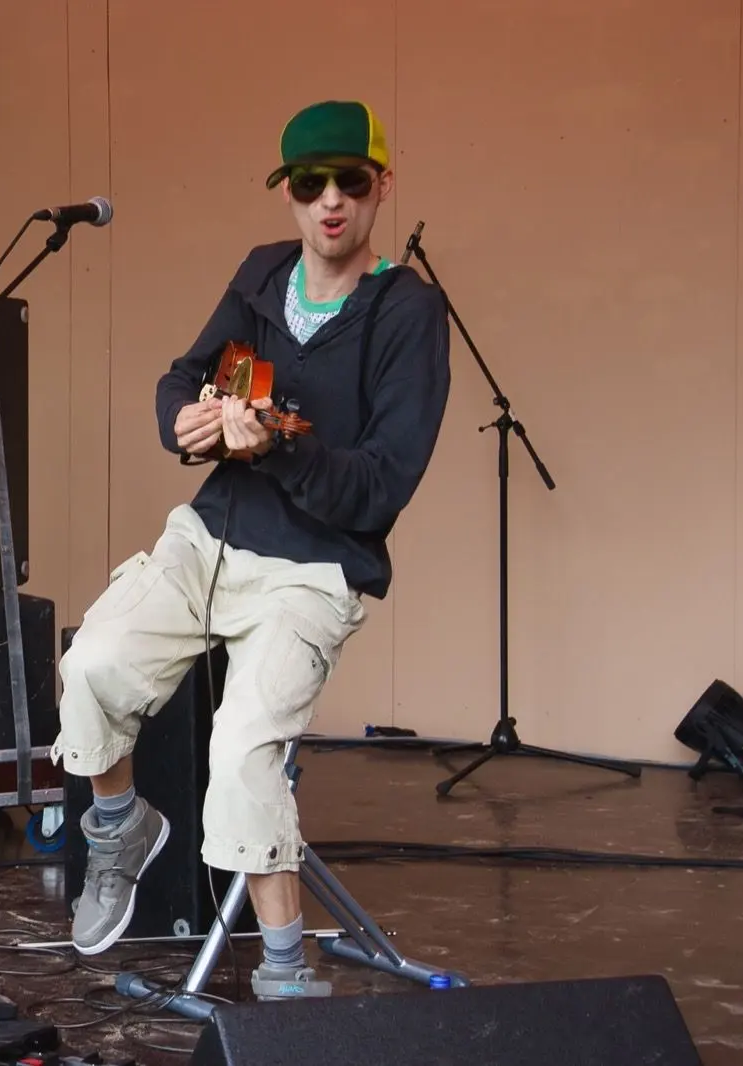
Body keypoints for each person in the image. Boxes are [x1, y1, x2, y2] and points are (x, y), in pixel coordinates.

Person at [53, 101, 451, 1000]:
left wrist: (277, 447)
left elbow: (380, 486)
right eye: (310, 184)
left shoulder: (408, 312)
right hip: (212, 535)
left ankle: (284, 971)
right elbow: (181, 377)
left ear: (382, 186)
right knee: (92, 664)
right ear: (288, 194)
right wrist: (185, 422)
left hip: (312, 570)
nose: (330, 201)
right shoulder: (263, 274)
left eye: (350, 181)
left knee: (239, 753)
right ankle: (118, 829)